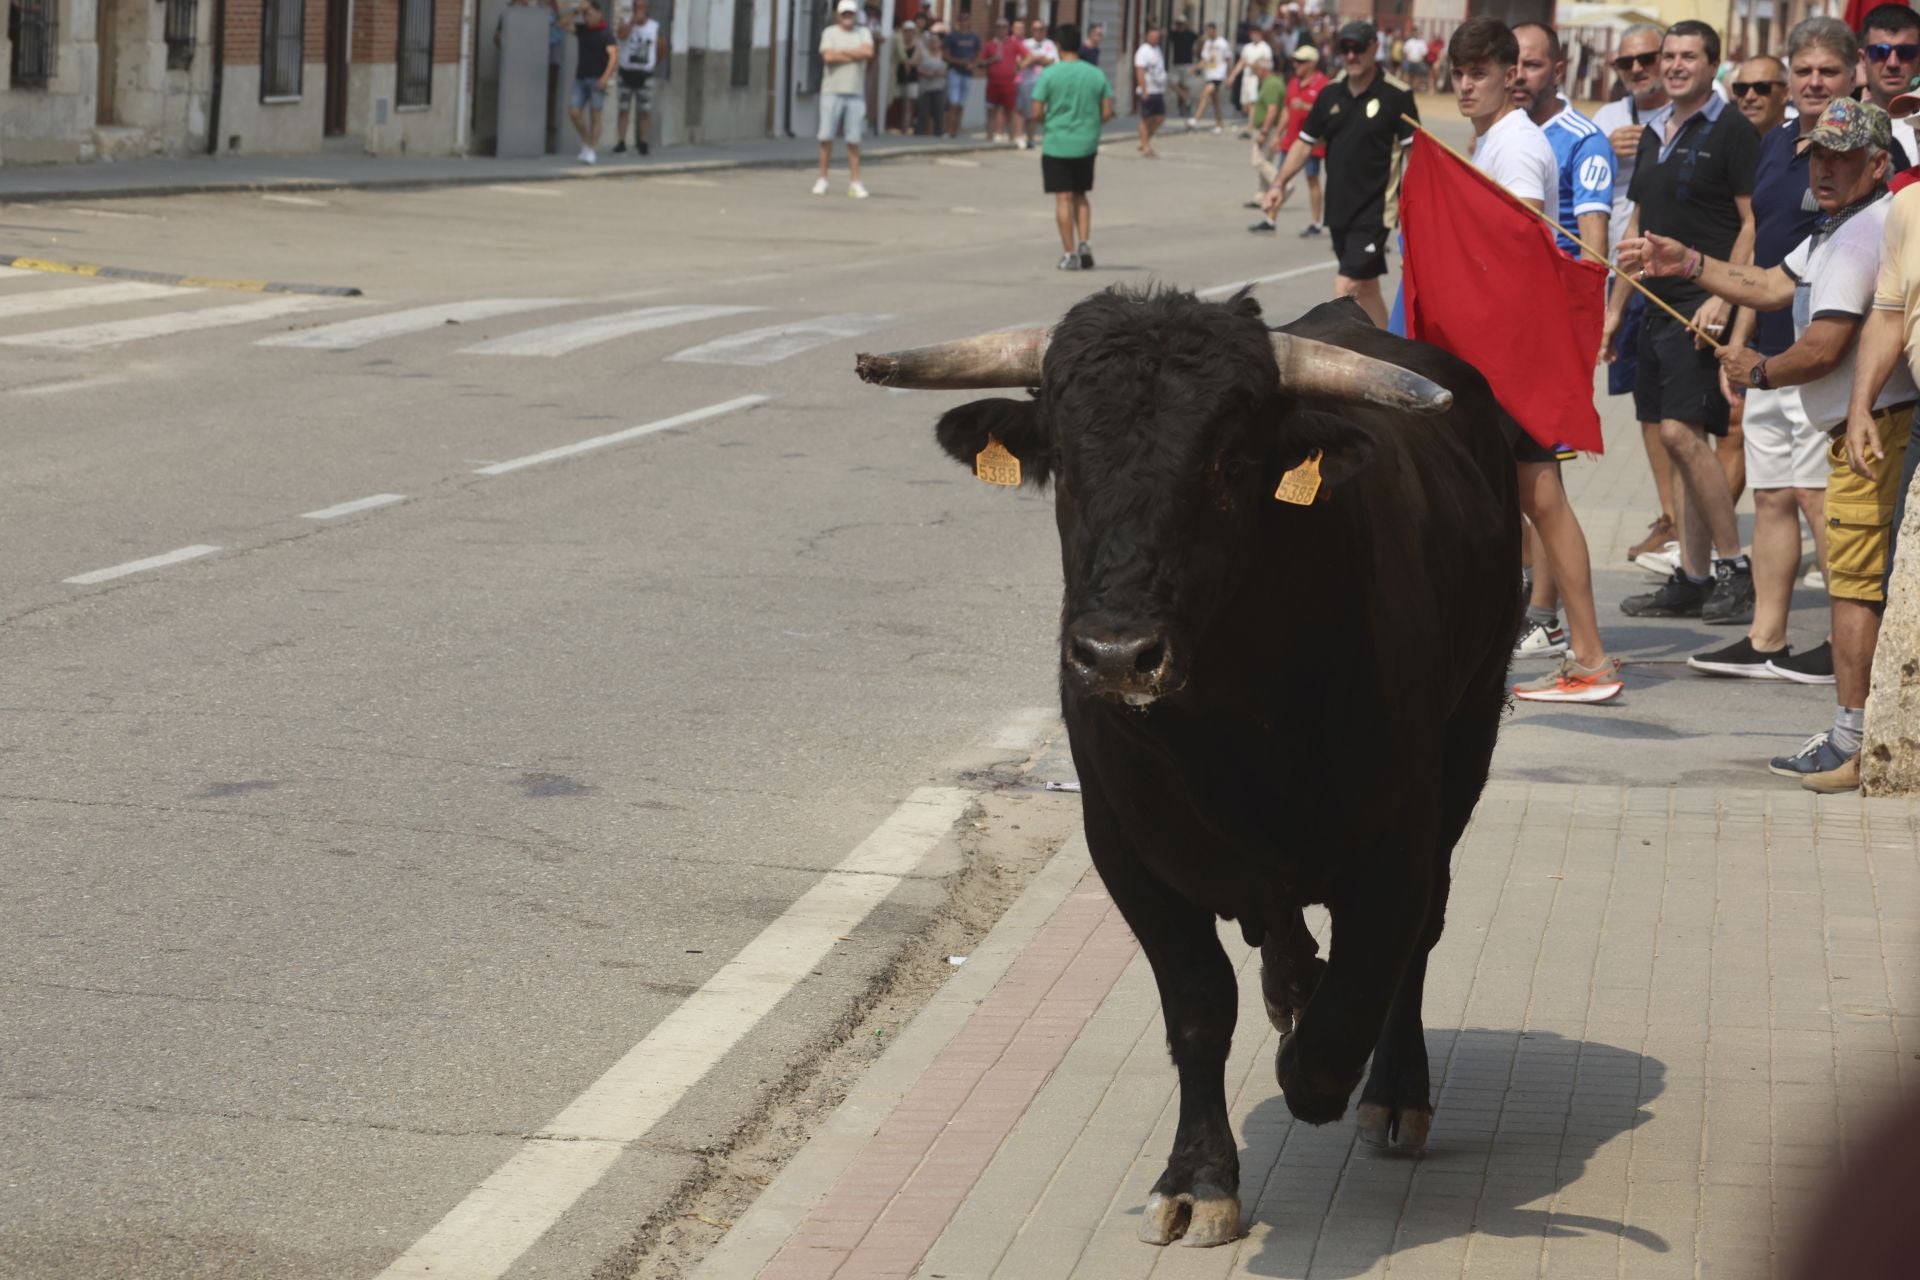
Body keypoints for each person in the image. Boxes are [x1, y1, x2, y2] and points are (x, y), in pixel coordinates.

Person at [1624, 100, 1913, 788]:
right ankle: (1859, 731)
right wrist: (1688, 261)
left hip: (1875, 431)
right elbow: (1771, 285)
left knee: (1854, 589)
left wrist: (1761, 371)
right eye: (1817, 154)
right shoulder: (1836, 226)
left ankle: (1852, 739)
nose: (1823, 167)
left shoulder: (1858, 236)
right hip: (1869, 428)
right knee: (1855, 583)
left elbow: (1823, 345)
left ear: (1878, 164)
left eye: (1841, 157)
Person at [1439, 17, 1620, 702]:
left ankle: (1590, 657)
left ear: (1509, 75)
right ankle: (1585, 654)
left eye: (1479, 72)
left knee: (1537, 500)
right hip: (1506, 353)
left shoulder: (1514, 145)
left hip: (1509, 355)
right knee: (1534, 499)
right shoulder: (1497, 138)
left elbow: (1514, 255)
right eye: (1458, 71)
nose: (1465, 84)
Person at [1604, 20, 1758, 625]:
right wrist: (1615, 309)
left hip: (1699, 305)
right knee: (1676, 438)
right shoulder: (1652, 133)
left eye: (1687, 56)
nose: (1672, 65)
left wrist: (1727, 294)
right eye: (1667, 56)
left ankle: (1733, 568)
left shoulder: (1735, 132)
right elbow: (1636, 226)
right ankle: (1693, 576)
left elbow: (1753, 223)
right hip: (1653, 306)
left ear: (1711, 64)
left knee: (1681, 435)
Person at [1508, 21, 1617, 666]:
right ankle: (1534, 602)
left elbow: (1594, 246)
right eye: (1512, 64)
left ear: (1557, 70)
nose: (1519, 74)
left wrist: (1589, 329)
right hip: (1515, 329)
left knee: (1542, 480)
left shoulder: (1583, 141)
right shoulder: (1508, 133)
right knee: (1521, 479)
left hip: (1552, 333)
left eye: (1530, 64)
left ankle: (1547, 617)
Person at [1261, 21, 1418, 327]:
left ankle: (1359, 366)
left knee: (1345, 288)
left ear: (1374, 47)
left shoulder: (1397, 95)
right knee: (1367, 287)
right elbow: (1304, 145)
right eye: (1343, 49)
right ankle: (1394, 352)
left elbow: (1416, 158)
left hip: (1374, 213)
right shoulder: (1330, 93)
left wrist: (1416, 216)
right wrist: (1278, 183)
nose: (1350, 55)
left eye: (1358, 48)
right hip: (1338, 210)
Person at [1593, 23, 1680, 567]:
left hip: (1679, 270)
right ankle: (1671, 515)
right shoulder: (1606, 119)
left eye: (1649, 57)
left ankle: (1691, 525)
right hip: (1623, 274)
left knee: (1691, 410)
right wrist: (1603, 149)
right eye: (1627, 64)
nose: (1640, 69)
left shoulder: (1699, 110)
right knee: (1647, 406)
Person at [1032, 23, 1113, 272]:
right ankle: (1085, 243)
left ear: (1058, 46)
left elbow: (1036, 111)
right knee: (1081, 194)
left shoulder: (1049, 74)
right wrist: (1089, 123)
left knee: (1063, 198)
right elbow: (1108, 111)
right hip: (1086, 143)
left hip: (1057, 142)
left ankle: (1069, 254)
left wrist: (1051, 123)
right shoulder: (1095, 74)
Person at [815, 0, 874, 198]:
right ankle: (822, 178)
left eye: (851, 13)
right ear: (838, 15)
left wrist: (842, 52)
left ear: (855, 14)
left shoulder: (863, 33)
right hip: (831, 91)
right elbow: (828, 57)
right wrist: (854, 55)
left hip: (855, 92)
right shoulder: (829, 33)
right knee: (826, 137)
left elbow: (868, 52)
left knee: (854, 139)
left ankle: (855, 182)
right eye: (844, 14)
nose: (848, 17)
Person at [1857, 4, 1920, 166]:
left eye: (1906, 52)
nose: (1892, 63)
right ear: (1863, 59)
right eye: (1880, 52)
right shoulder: (1839, 126)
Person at [559, 0, 618, 165]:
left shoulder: (606, 33)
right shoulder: (582, 30)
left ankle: (590, 149)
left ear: (599, 14)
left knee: (595, 115)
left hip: (597, 79)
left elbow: (613, 57)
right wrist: (577, 10)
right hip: (581, 78)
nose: (587, 18)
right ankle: (586, 141)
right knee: (574, 112)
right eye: (585, 15)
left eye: (589, 14)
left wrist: (605, 78)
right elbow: (562, 24)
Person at [612, 0, 660, 156]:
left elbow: (662, 47)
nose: (640, 8)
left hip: (645, 74)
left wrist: (652, 63)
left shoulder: (654, 26)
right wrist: (633, 22)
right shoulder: (625, 22)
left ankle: (643, 142)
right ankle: (621, 142)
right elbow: (621, 36)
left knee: (644, 110)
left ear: (647, 7)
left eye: (642, 6)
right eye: (637, 6)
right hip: (626, 72)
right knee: (623, 109)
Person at [1017, 22, 1058, 150]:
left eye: (1040, 29)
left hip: (1043, 83)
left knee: (1037, 113)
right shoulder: (1025, 43)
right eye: (1035, 29)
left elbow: (1052, 61)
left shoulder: (1049, 44)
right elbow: (1019, 61)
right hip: (1026, 82)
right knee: (1023, 111)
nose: (1038, 31)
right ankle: (1019, 136)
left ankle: (1031, 138)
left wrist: (1034, 59)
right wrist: (1037, 59)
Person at [982, 20, 1022, 144]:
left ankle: (1011, 139)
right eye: (998, 26)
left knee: (1010, 112)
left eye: (1004, 27)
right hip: (993, 84)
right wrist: (992, 60)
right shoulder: (989, 45)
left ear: (1008, 29)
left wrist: (1019, 66)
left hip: (1009, 84)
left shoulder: (1014, 43)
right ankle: (989, 140)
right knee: (991, 112)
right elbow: (979, 63)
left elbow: (1029, 56)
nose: (1001, 29)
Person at [1230, 26, 1276, 134]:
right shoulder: (1247, 47)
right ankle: (1254, 121)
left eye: (1256, 34)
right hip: (1247, 77)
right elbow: (1241, 62)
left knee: (1252, 102)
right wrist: (1233, 76)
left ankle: (1250, 126)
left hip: (1256, 78)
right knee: (1245, 105)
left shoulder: (1265, 48)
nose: (1254, 36)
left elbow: (1266, 64)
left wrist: (1252, 65)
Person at [1189, 21, 1232, 132]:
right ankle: (1219, 124)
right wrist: (1196, 68)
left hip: (1218, 75)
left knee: (1205, 93)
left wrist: (1229, 76)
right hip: (1209, 73)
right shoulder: (1207, 44)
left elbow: (1227, 60)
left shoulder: (1222, 43)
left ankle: (1196, 119)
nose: (1208, 33)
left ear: (1214, 30)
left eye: (1210, 30)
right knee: (1215, 101)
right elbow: (1205, 60)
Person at [1134, 24, 1169, 157]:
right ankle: (1146, 146)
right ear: (1147, 36)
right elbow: (1140, 71)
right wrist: (1144, 90)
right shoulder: (1143, 51)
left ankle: (1145, 140)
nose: (1154, 38)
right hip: (1148, 89)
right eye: (1152, 36)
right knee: (1146, 118)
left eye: (1157, 36)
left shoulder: (1158, 50)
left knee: (1160, 117)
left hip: (1158, 89)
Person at [1732, 54, 1788, 134]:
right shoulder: (1724, 142)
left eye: (1761, 87)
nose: (1749, 97)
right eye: (1742, 88)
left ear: (1785, 94)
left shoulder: (1802, 144)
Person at [945, 13, 981, 137]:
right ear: (958, 22)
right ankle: (949, 130)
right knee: (953, 103)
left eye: (967, 20)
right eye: (962, 20)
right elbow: (946, 56)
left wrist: (973, 64)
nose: (964, 23)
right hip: (955, 72)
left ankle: (956, 130)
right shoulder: (952, 37)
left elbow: (977, 55)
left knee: (961, 104)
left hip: (968, 73)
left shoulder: (974, 38)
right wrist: (959, 61)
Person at [890, 19, 920, 135]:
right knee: (897, 102)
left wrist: (905, 61)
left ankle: (906, 127)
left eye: (911, 31)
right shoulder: (899, 43)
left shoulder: (917, 45)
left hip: (912, 78)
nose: (909, 33)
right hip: (899, 76)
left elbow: (916, 61)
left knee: (908, 104)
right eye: (907, 31)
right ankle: (897, 125)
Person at [916, 32, 949, 136]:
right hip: (925, 87)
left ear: (940, 43)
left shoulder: (944, 55)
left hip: (939, 87)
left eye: (936, 41)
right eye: (931, 41)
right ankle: (920, 133)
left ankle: (938, 133)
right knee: (923, 112)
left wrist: (939, 73)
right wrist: (927, 73)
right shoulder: (924, 54)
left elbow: (948, 71)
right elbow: (918, 69)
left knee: (939, 111)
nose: (934, 43)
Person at [1168, 16, 1198, 117]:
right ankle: (1187, 100)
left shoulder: (1190, 34)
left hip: (1187, 63)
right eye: (1177, 24)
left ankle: (1184, 106)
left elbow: (1200, 39)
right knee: (1173, 84)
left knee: (1185, 86)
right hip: (1176, 63)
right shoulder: (1174, 34)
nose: (1179, 26)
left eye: (1181, 24)